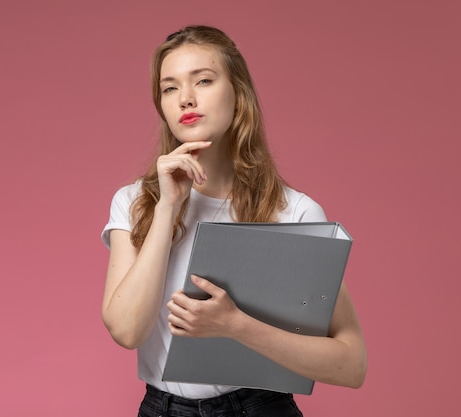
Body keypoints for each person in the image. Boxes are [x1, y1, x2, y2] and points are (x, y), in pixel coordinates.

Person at [101, 25, 367, 417]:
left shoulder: (294, 212)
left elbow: (351, 364)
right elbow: (126, 331)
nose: (185, 98)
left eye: (204, 80)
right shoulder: (136, 202)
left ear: (238, 93)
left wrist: (236, 325)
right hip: (162, 409)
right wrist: (167, 208)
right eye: (169, 88)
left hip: (260, 407)